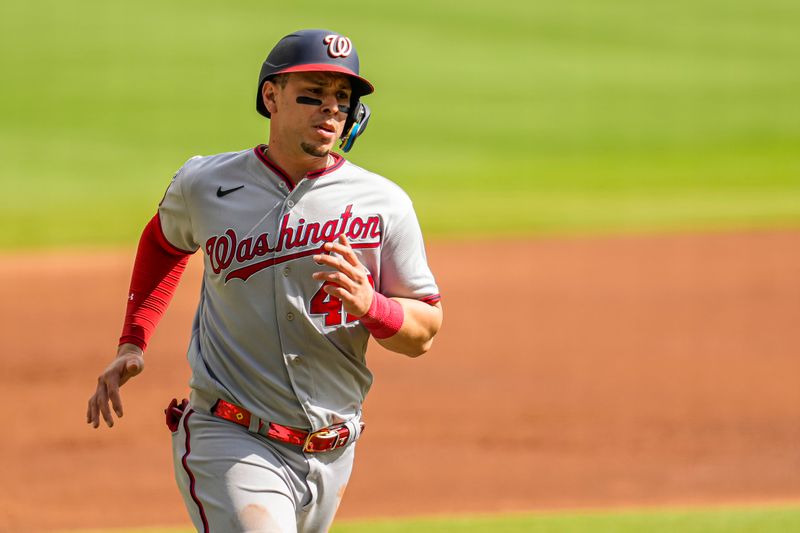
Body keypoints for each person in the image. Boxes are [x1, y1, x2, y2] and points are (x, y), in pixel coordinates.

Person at [86, 28, 442, 532]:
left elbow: (424, 332)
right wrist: (133, 340)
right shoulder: (205, 184)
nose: (330, 110)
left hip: (334, 449)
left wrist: (372, 306)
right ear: (270, 97)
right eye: (312, 95)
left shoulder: (384, 204)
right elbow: (162, 243)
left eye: (343, 98)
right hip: (229, 436)